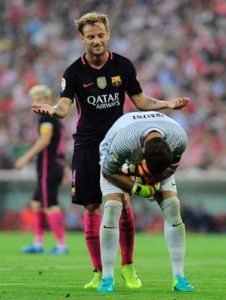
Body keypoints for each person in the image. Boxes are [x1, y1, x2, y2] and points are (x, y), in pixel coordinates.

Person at [31, 12, 189, 288]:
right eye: (90, 36)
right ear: (82, 39)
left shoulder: (123, 66)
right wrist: (53, 111)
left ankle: (128, 267)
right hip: (88, 144)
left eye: (100, 35)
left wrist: (168, 104)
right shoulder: (74, 72)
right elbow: (64, 106)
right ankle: (98, 272)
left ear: (108, 35)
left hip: (121, 143)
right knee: (91, 207)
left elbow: (140, 101)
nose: (96, 40)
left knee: (122, 203)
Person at [98, 111, 195, 292]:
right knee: (112, 207)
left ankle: (179, 277)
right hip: (118, 160)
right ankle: (107, 278)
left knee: (173, 207)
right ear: (142, 151)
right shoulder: (123, 142)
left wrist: (154, 181)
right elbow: (108, 171)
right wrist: (138, 188)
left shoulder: (179, 139)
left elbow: (171, 167)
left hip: (152, 160)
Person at [15, 85, 68, 255]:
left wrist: (25, 157)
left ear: (47, 100)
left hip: (48, 166)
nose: (36, 103)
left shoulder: (46, 118)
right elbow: (59, 145)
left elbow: (45, 140)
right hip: (55, 164)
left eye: (39, 99)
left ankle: (61, 245)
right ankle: (37, 243)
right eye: (34, 100)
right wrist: (65, 167)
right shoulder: (56, 119)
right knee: (37, 204)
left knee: (50, 204)